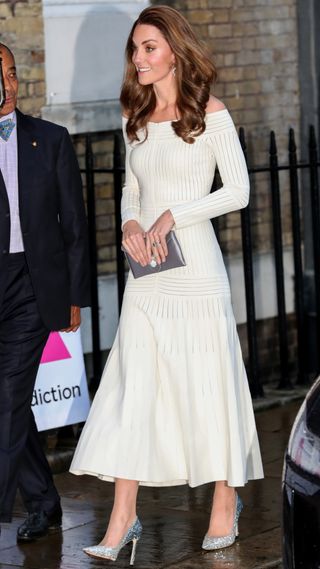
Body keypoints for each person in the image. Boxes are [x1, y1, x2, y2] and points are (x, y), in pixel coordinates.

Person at [70, 4, 263, 563]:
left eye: (148, 47)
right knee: (135, 387)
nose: (138, 58)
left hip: (196, 271)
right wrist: (133, 221)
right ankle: (122, 517)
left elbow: (240, 192)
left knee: (207, 380)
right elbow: (132, 190)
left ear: (174, 51)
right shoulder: (134, 117)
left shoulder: (210, 115)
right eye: (134, 48)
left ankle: (225, 498)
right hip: (147, 277)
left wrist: (174, 215)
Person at [0, 44, 91, 542]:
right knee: (10, 405)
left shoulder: (50, 140)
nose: (10, 85)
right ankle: (42, 500)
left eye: (13, 74)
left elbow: (74, 224)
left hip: (34, 287)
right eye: (0, 76)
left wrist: (74, 295)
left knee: (8, 399)